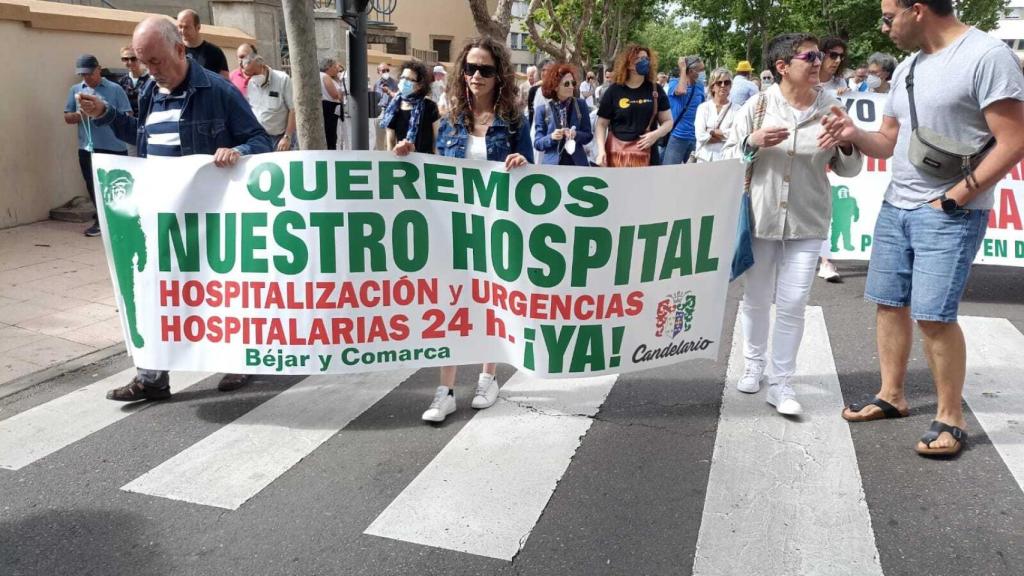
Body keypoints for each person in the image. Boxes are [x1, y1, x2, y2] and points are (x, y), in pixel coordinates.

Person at [822, 0, 1024, 457]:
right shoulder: (910, 66)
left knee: (934, 315)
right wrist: (853, 133)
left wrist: (956, 197)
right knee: (889, 303)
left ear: (917, 10)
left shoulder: (987, 56)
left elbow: (1014, 140)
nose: (884, 27)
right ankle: (891, 396)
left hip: (951, 212)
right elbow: (887, 141)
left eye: (888, 17)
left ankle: (950, 418)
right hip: (896, 205)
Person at [77, 16, 273, 402]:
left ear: (181, 50)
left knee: (220, 289)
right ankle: (152, 377)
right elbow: (142, 135)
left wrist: (237, 150)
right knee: (155, 290)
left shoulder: (218, 91)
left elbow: (260, 140)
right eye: (144, 61)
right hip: (161, 215)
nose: (150, 70)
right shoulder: (151, 89)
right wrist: (105, 114)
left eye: (157, 61)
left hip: (210, 218)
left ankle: (238, 359)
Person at [723, 33, 862, 416]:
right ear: (783, 66)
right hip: (761, 216)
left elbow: (850, 168)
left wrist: (846, 143)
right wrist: (751, 141)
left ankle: (781, 382)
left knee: (793, 302)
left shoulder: (832, 108)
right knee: (756, 298)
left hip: (808, 218)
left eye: (821, 56)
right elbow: (728, 158)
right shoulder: (757, 106)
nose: (820, 62)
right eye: (811, 57)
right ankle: (754, 365)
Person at [429, 35, 533, 422]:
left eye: (485, 70)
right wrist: (404, 157)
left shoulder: (514, 122)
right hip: (456, 227)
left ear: (499, 75)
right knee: (453, 302)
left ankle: (488, 377)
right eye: (470, 68)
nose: (476, 75)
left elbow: (533, 175)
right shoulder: (451, 120)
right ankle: (445, 390)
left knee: (493, 300)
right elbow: (435, 172)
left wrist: (522, 163)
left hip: (499, 224)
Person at [64, 54, 132, 237]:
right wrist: (80, 115)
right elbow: (67, 117)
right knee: (93, 186)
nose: (86, 77)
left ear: (98, 70)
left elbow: (128, 115)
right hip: (88, 147)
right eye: (82, 74)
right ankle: (102, 221)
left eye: (89, 73)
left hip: (114, 146)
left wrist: (103, 112)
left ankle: (122, 221)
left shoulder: (115, 89)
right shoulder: (76, 90)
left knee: (118, 186)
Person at [594, 45, 672, 167]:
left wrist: (656, 134)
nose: (644, 62)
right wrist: (601, 151)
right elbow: (601, 124)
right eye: (638, 59)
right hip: (617, 155)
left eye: (646, 58)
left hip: (648, 155)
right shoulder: (614, 91)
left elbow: (668, 121)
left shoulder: (656, 90)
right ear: (628, 64)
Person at [534, 62, 593, 166]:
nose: (571, 87)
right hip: (552, 166)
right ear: (555, 87)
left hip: (577, 164)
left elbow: (588, 135)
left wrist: (575, 134)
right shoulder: (542, 110)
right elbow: (537, 143)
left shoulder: (581, 105)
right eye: (566, 84)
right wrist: (551, 137)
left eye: (573, 83)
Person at [382, 60, 440, 155]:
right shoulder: (393, 108)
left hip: (426, 160)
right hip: (403, 160)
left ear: (419, 85)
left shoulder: (430, 106)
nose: (404, 81)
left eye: (409, 79)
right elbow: (390, 142)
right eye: (403, 77)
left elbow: (437, 138)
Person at [244, 54, 296, 151]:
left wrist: (287, 137)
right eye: (249, 75)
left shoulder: (282, 79)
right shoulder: (251, 84)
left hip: (280, 139)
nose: (252, 77)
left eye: (254, 73)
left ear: (262, 66)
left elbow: (293, 110)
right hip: (260, 138)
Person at [663, 55, 706, 164]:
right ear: (690, 71)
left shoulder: (700, 86)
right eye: (701, 70)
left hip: (694, 138)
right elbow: (681, 91)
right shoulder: (674, 83)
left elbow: (703, 109)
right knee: (670, 172)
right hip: (677, 137)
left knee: (694, 172)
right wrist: (683, 69)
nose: (703, 73)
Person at [693, 67, 736, 162]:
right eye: (719, 83)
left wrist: (711, 131)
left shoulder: (737, 109)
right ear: (712, 86)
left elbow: (736, 135)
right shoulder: (703, 108)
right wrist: (724, 135)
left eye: (727, 82)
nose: (723, 85)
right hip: (703, 159)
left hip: (726, 159)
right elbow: (700, 135)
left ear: (730, 86)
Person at [176, 9, 229, 79]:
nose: (182, 31)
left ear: (198, 27)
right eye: (180, 27)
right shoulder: (174, 50)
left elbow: (225, 81)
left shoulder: (215, 52)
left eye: (187, 27)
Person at [117, 46, 149, 118]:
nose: (130, 62)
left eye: (133, 59)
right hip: (128, 121)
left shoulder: (151, 80)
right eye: (125, 59)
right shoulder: (121, 81)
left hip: (146, 120)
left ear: (140, 59)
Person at [320, 58, 343, 150]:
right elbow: (334, 95)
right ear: (328, 67)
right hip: (330, 108)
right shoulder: (325, 76)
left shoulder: (322, 76)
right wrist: (340, 94)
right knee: (331, 134)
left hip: (326, 106)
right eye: (334, 67)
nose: (336, 69)